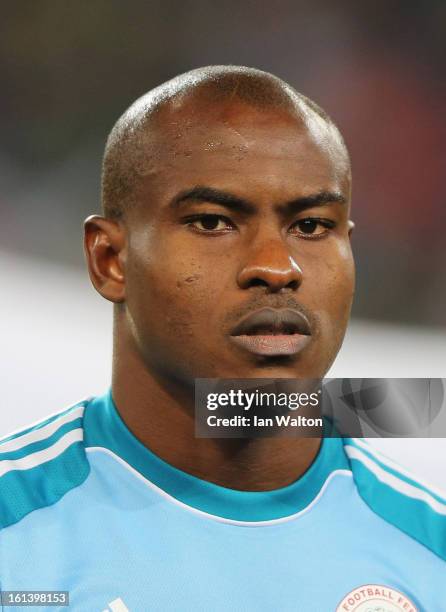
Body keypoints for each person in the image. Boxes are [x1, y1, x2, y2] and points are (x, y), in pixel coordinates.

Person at [0, 66, 444, 612]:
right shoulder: (16, 529)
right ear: (110, 260)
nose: (277, 268)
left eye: (311, 226)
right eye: (213, 222)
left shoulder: (431, 555)